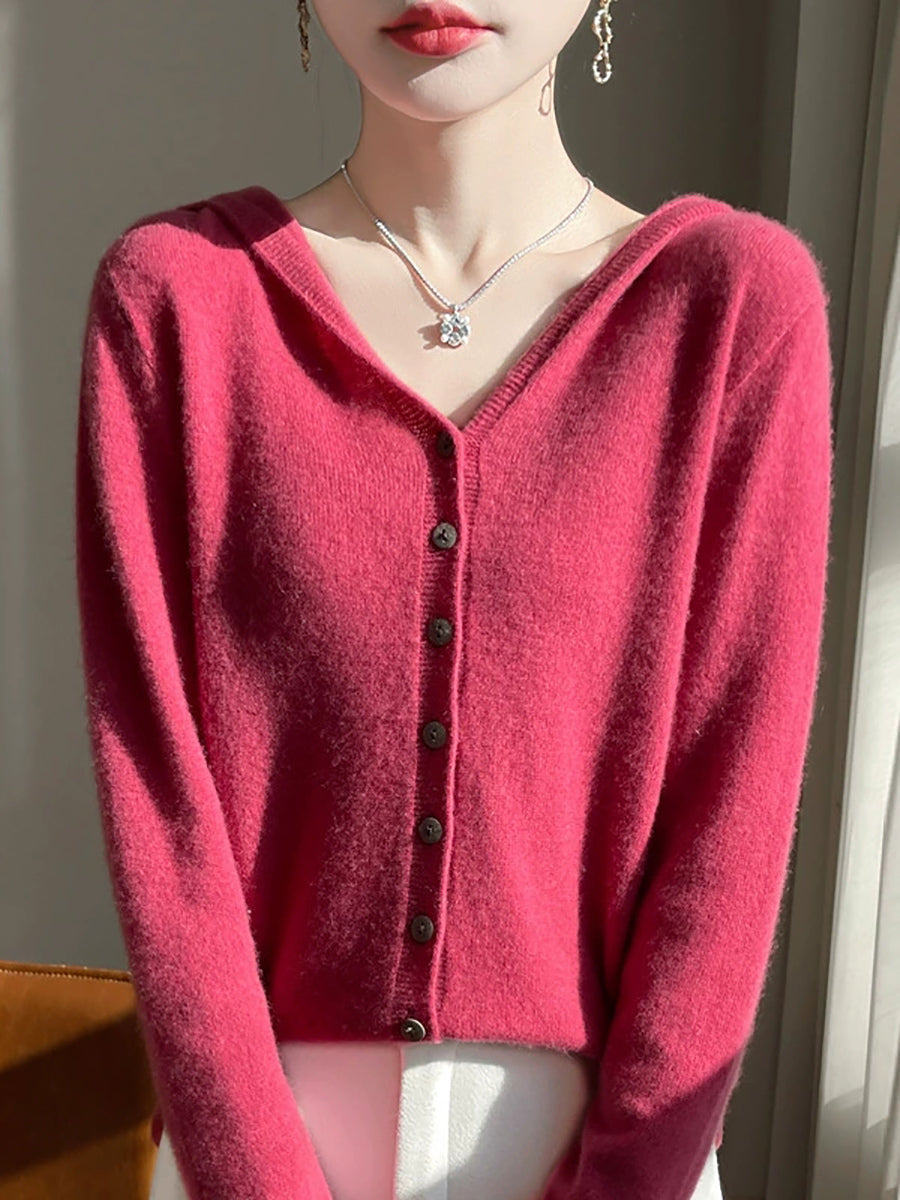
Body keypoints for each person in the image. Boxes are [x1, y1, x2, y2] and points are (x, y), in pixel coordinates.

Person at [73, 1, 834, 1198]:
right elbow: (157, 802)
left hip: (610, 1153)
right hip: (253, 1152)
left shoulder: (729, 306)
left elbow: (733, 809)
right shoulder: (178, 301)